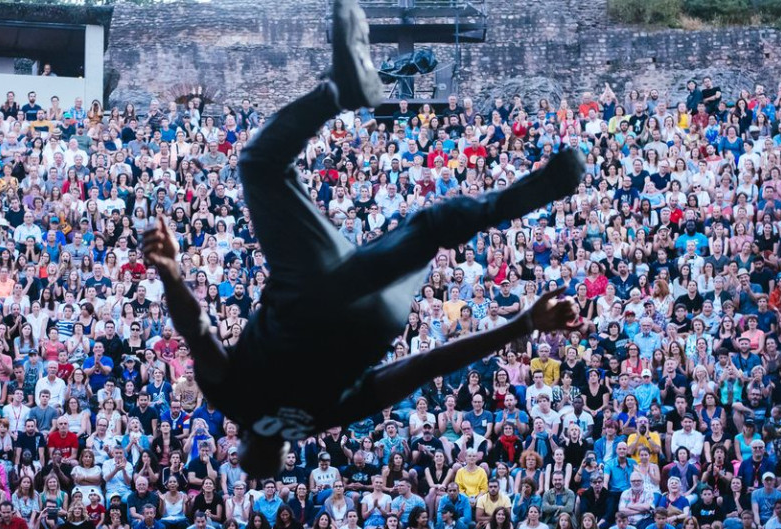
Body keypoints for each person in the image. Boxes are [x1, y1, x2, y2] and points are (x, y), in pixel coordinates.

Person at [139, 0, 584, 478]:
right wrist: (170, 274)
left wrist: (522, 324)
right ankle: (337, 92)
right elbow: (196, 330)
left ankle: (516, 198)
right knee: (259, 165)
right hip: (316, 290)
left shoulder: (322, 419)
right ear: (242, 441)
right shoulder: (236, 402)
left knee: (430, 231)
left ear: (286, 452)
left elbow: (424, 366)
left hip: (375, 310)